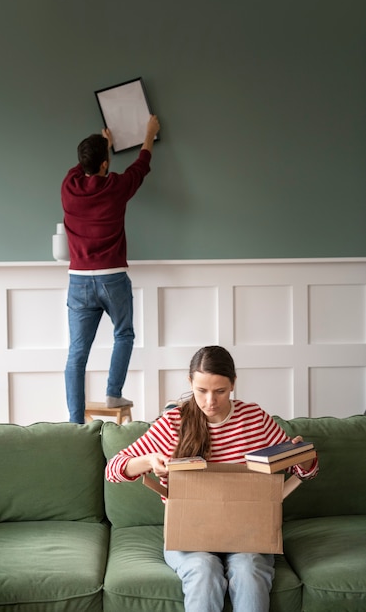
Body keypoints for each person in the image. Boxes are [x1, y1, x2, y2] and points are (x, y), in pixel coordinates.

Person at [106, 345, 319, 612]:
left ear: (233, 384)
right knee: (203, 570)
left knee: (249, 570)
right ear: (190, 383)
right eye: (201, 391)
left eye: (220, 391)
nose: (210, 401)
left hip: (249, 531)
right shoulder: (174, 422)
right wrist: (149, 461)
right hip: (189, 534)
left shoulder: (254, 418)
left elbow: (306, 472)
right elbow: (113, 469)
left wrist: (300, 456)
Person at [61, 115, 160, 423]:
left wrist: (104, 147)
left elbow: (83, 168)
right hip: (112, 278)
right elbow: (139, 167)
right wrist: (149, 134)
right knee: (124, 334)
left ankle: (76, 423)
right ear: (106, 164)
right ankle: (113, 392)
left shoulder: (69, 187)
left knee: (77, 354)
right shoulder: (115, 187)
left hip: (78, 281)